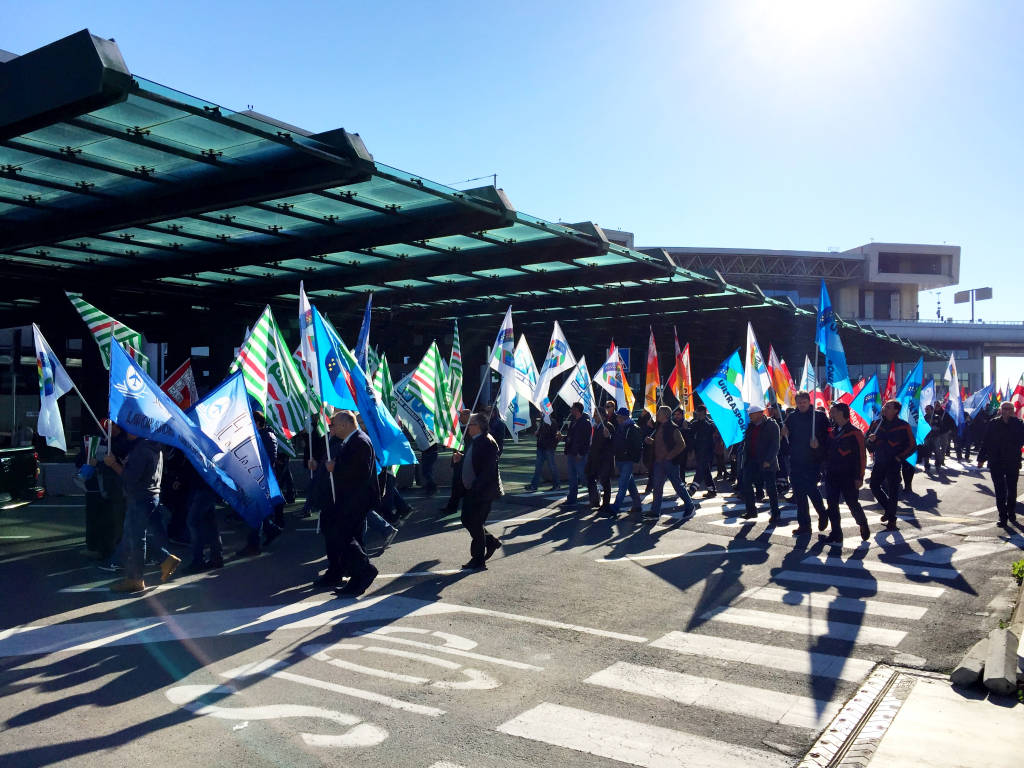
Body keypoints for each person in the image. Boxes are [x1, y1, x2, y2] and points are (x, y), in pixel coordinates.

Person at [310, 410, 381, 595]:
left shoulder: (360, 441)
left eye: (333, 425)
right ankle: (353, 575)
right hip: (347, 498)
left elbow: (361, 472)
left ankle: (364, 571)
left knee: (345, 537)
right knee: (343, 536)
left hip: (356, 499)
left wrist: (336, 468)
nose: (331, 428)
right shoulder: (350, 440)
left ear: (344, 425)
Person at [103, 430, 179, 593]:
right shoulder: (153, 446)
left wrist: (113, 464)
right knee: (140, 536)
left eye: (128, 428)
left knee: (135, 539)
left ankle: (136, 578)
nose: (125, 432)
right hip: (151, 496)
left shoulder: (141, 449)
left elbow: (130, 478)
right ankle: (164, 560)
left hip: (140, 498)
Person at [455, 412, 503, 569]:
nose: (468, 426)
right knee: (467, 520)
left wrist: (475, 487)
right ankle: (491, 541)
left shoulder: (488, 443)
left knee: (475, 523)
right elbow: (472, 462)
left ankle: (478, 560)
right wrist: (459, 460)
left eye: (471, 424)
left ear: (480, 427)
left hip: (482, 492)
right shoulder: (474, 441)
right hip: (473, 489)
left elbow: (488, 471)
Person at [782, 391, 828, 537]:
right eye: (799, 402)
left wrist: (818, 444)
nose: (801, 405)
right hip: (796, 460)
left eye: (804, 402)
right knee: (799, 494)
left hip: (812, 460)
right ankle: (804, 525)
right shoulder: (792, 417)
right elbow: (786, 438)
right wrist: (784, 433)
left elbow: (828, 438)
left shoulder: (819, 417)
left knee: (811, 489)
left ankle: (822, 513)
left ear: (809, 401)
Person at [823, 402, 870, 544]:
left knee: (852, 503)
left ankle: (863, 523)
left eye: (834, 412)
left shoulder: (855, 433)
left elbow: (862, 456)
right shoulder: (832, 432)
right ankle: (836, 533)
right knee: (832, 504)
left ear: (842, 413)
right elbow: (826, 452)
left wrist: (859, 477)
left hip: (849, 476)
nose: (831, 414)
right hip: (832, 474)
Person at [867, 399, 916, 532]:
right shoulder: (877, 423)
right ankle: (889, 510)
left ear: (896, 410)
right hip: (880, 461)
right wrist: (871, 441)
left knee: (893, 490)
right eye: (885, 406)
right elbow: (868, 442)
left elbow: (912, 445)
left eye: (888, 406)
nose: (885, 408)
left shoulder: (903, 425)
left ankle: (892, 519)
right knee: (874, 486)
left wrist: (899, 457)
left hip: (893, 462)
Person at [644, 405, 696, 522]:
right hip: (659, 462)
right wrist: (651, 442)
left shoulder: (673, 428)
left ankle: (690, 506)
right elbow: (661, 443)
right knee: (657, 487)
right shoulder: (660, 427)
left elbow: (681, 444)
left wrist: (670, 456)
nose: (656, 414)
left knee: (677, 485)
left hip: (669, 462)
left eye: (659, 413)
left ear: (664, 415)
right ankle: (655, 512)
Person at [978, 401, 1024, 526]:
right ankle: (1002, 517)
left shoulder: (1019, 424)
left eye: (1010, 409)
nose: (1007, 411)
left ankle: (1011, 513)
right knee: (999, 491)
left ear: (1013, 410)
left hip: (1012, 462)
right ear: (1000, 410)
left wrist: (1012, 422)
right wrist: (981, 459)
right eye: (1005, 408)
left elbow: (1021, 441)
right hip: (996, 461)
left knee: (1012, 490)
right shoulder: (993, 423)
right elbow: (986, 442)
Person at [740, 405, 781, 523]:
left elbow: (775, 445)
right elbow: (746, 442)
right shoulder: (750, 426)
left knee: (771, 489)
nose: (749, 416)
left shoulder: (772, 425)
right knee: (746, 484)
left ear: (759, 413)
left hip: (766, 462)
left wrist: (769, 460)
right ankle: (751, 511)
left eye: (751, 414)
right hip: (751, 460)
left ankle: (775, 513)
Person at [182, 461, 223, 572]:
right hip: (207, 485)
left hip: (202, 485)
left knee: (193, 522)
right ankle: (216, 556)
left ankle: (198, 560)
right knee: (210, 522)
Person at [607, 407, 643, 516]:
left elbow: (637, 445)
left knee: (622, 484)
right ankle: (637, 505)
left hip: (626, 460)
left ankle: (616, 506)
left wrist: (632, 457)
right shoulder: (624, 427)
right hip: (622, 458)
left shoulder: (631, 428)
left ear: (623, 417)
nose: (617, 418)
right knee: (629, 483)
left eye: (618, 416)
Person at [586, 401, 616, 513]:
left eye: (596, 414)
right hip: (595, 459)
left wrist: (609, 436)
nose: (594, 416)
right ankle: (595, 500)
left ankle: (606, 504)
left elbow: (613, 442)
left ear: (603, 416)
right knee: (590, 478)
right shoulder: (596, 427)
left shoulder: (608, 426)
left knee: (605, 482)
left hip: (604, 460)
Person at [561, 402, 592, 509]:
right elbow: (571, 437)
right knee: (572, 478)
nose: (571, 411)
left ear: (577, 410)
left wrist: (581, 453)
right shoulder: (574, 421)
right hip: (571, 453)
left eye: (572, 409)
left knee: (584, 477)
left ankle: (594, 494)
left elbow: (586, 440)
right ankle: (572, 499)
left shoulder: (585, 422)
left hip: (579, 454)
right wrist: (563, 437)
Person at [689, 405, 718, 498]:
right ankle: (712, 490)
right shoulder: (694, 424)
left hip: (708, 452)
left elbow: (714, 436)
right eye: (697, 413)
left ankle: (692, 489)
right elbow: (691, 437)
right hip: (699, 451)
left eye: (700, 414)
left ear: (704, 414)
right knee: (705, 471)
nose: (698, 415)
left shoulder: (710, 424)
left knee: (700, 470)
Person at [525, 416, 560, 492]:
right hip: (542, 447)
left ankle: (556, 485)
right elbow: (541, 435)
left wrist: (552, 445)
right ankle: (534, 485)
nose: (541, 413)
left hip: (548, 447)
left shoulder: (551, 422)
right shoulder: (542, 422)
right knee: (538, 467)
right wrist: (537, 433)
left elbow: (553, 435)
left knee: (552, 467)